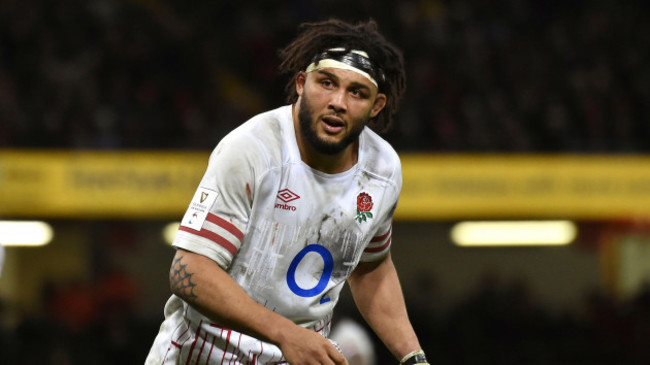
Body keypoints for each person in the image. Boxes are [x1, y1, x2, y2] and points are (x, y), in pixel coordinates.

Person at [146, 18, 429, 365]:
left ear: (377, 105)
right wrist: (285, 334)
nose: (338, 101)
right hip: (204, 353)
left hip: (297, 355)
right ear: (300, 84)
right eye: (327, 83)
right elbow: (189, 269)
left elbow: (371, 269)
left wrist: (413, 357)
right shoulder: (251, 149)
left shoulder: (383, 170)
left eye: (357, 92)